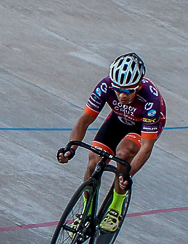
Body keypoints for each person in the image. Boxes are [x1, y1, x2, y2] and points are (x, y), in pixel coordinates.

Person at [58, 53, 165, 232]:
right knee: (93, 160)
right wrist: (71, 148)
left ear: (138, 86)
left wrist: (127, 174)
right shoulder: (105, 85)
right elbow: (84, 120)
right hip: (119, 119)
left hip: (141, 126)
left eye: (128, 91)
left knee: (123, 154)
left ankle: (116, 208)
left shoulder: (151, 100)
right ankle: (86, 213)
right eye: (118, 90)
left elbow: (146, 147)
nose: (122, 95)